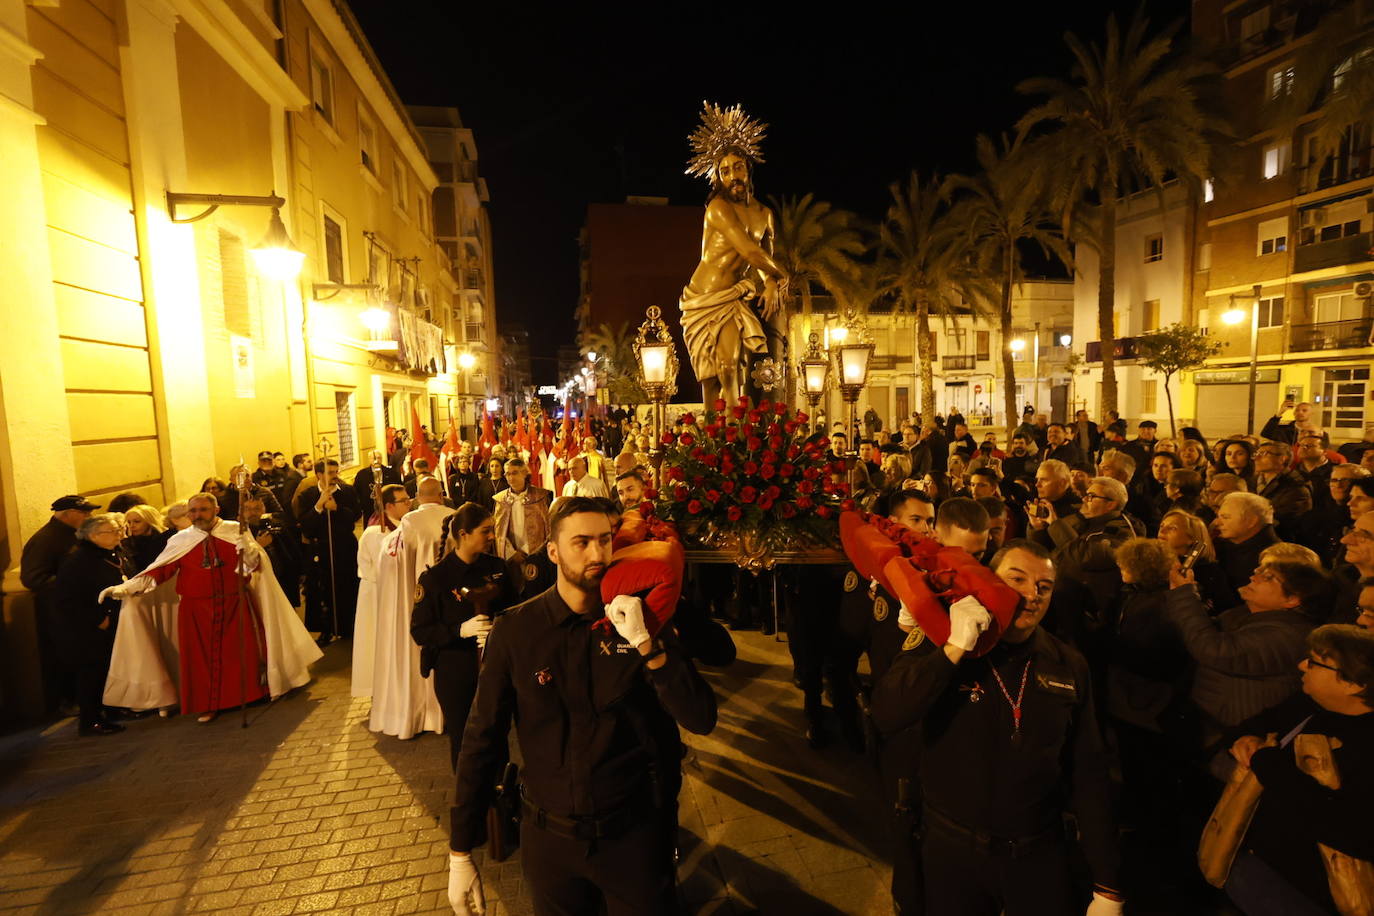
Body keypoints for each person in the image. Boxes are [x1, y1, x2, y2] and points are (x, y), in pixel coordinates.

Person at [446, 497, 717, 916]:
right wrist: (460, 851)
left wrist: (650, 645)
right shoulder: (517, 630)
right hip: (551, 843)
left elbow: (700, 717)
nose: (597, 554)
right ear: (553, 552)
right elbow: (482, 737)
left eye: (605, 540)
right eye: (582, 542)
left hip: (633, 839)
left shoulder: (640, 617)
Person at [871, 540, 1123, 916]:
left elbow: (1089, 768)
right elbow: (887, 713)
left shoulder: (1067, 663)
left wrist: (1107, 883)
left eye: (1044, 586)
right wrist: (953, 649)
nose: (1031, 595)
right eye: (1016, 579)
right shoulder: (944, 640)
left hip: (1037, 849)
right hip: (952, 849)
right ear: (989, 580)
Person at [99, 493, 321, 722]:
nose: (198, 515)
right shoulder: (181, 540)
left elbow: (253, 568)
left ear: (216, 510)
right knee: (201, 662)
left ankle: (248, 695)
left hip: (234, 603)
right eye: (193, 511)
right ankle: (209, 704)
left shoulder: (235, 530)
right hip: (196, 610)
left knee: (240, 655)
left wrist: (249, 552)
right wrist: (125, 588)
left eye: (203, 510)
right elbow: (160, 570)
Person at [1220, 625, 1374, 916]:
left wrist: (1267, 762)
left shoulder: (1366, 744)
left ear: (1354, 684)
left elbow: (1355, 832)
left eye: (1314, 662)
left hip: (1305, 891)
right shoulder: (1308, 705)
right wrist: (1245, 739)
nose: (1302, 665)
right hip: (1251, 859)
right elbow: (1247, 728)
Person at [1167, 559, 1328, 756]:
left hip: (1232, 737)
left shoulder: (1289, 635)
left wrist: (1184, 595)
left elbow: (1215, 650)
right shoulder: (1243, 615)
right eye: (1258, 571)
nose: (1253, 577)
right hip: (1204, 721)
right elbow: (1197, 633)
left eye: (1268, 577)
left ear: (1292, 600)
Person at [412, 504, 521, 769]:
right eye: (485, 531)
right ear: (463, 534)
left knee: (497, 734)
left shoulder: (497, 568)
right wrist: (459, 630)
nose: (492, 536)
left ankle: (501, 788)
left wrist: (499, 627)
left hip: (494, 667)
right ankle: (469, 790)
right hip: (455, 671)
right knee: (465, 739)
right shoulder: (436, 578)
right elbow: (421, 630)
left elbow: (514, 610)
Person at [370, 477, 453, 739]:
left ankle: (418, 712)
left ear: (417, 497)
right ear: (441, 495)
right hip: (450, 601)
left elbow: (396, 564)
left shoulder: (408, 524)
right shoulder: (454, 517)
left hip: (415, 598)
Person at [1029, 476, 1135, 647]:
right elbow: (1045, 551)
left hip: (1088, 619)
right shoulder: (1080, 521)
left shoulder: (1122, 531)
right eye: (1086, 495)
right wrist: (1039, 528)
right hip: (1059, 607)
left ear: (1111, 504)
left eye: (1092, 496)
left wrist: (1056, 524)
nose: (1085, 499)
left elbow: (1083, 556)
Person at [21, 494, 100, 713]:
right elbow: (33, 578)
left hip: (78, 606)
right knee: (67, 656)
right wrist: (71, 585)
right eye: (84, 512)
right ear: (68, 514)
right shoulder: (46, 539)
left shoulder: (76, 534)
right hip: (60, 610)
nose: (89, 516)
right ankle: (70, 701)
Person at [55, 515, 126, 736]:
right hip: (88, 628)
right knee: (91, 673)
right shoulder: (78, 561)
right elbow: (68, 598)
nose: (118, 534)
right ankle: (91, 720)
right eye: (112, 531)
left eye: (118, 530)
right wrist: (98, 619)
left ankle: (112, 710)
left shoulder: (111, 553)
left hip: (111, 621)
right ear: (93, 536)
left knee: (107, 668)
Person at [352, 483, 410, 699]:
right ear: (389, 506)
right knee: (378, 641)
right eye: (404, 501)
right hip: (377, 595)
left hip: (399, 593)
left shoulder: (406, 526)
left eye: (409, 499)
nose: (409, 503)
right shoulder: (374, 533)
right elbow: (368, 566)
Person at [299, 459, 362, 647]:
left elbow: (355, 516)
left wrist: (337, 509)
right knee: (321, 590)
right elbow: (306, 527)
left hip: (344, 548)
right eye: (330, 472)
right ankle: (325, 629)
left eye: (336, 472)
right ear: (319, 475)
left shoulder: (347, 491)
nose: (335, 476)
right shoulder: (308, 495)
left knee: (346, 587)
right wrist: (318, 507)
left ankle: (346, 626)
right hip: (320, 549)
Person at [492, 457, 555, 599]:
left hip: (538, 555)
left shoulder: (541, 497)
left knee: (537, 594)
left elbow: (549, 528)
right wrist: (512, 553)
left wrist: (537, 553)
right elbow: (499, 532)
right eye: (507, 474)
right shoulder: (501, 500)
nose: (510, 477)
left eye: (514, 473)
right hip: (513, 557)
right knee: (515, 595)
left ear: (525, 473)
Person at [1214, 492, 1283, 609]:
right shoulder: (1225, 545)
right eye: (1218, 516)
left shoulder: (1272, 559)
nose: (1217, 522)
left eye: (1225, 517)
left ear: (1251, 521)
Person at [240, 495, 301, 608]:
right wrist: (258, 546)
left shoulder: (278, 527)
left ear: (264, 509)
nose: (252, 512)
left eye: (257, 508)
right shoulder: (238, 533)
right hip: (258, 589)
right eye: (247, 509)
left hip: (282, 584)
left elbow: (292, 555)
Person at [1253, 441, 1313, 544]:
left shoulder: (1296, 488)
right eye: (1256, 454)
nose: (1256, 458)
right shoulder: (1252, 482)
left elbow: (1287, 524)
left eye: (1264, 454)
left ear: (1282, 459)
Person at [121, 504, 171, 576]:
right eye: (129, 522)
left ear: (149, 521)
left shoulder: (165, 539)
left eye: (137, 521)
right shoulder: (128, 543)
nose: (132, 526)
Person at [353, 449, 403, 515]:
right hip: (369, 509)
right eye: (373, 458)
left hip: (389, 507)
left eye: (378, 458)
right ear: (369, 459)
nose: (376, 460)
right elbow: (356, 492)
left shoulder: (391, 473)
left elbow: (399, 487)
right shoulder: (362, 474)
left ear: (381, 459)